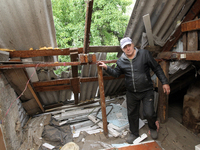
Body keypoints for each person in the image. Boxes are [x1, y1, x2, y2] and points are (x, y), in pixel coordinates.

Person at [97, 37, 170, 144]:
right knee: (132, 114)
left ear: (133, 44)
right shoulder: (121, 61)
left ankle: (153, 128)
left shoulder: (144, 54)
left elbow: (156, 68)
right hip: (131, 92)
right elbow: (117, 73)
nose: (128, 48)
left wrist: (165, 82)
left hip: (146, 90)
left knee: (149, 113)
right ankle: (134, 133)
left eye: (129, 45)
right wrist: (106, 68)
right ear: (122, 49)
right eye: (125, 47)